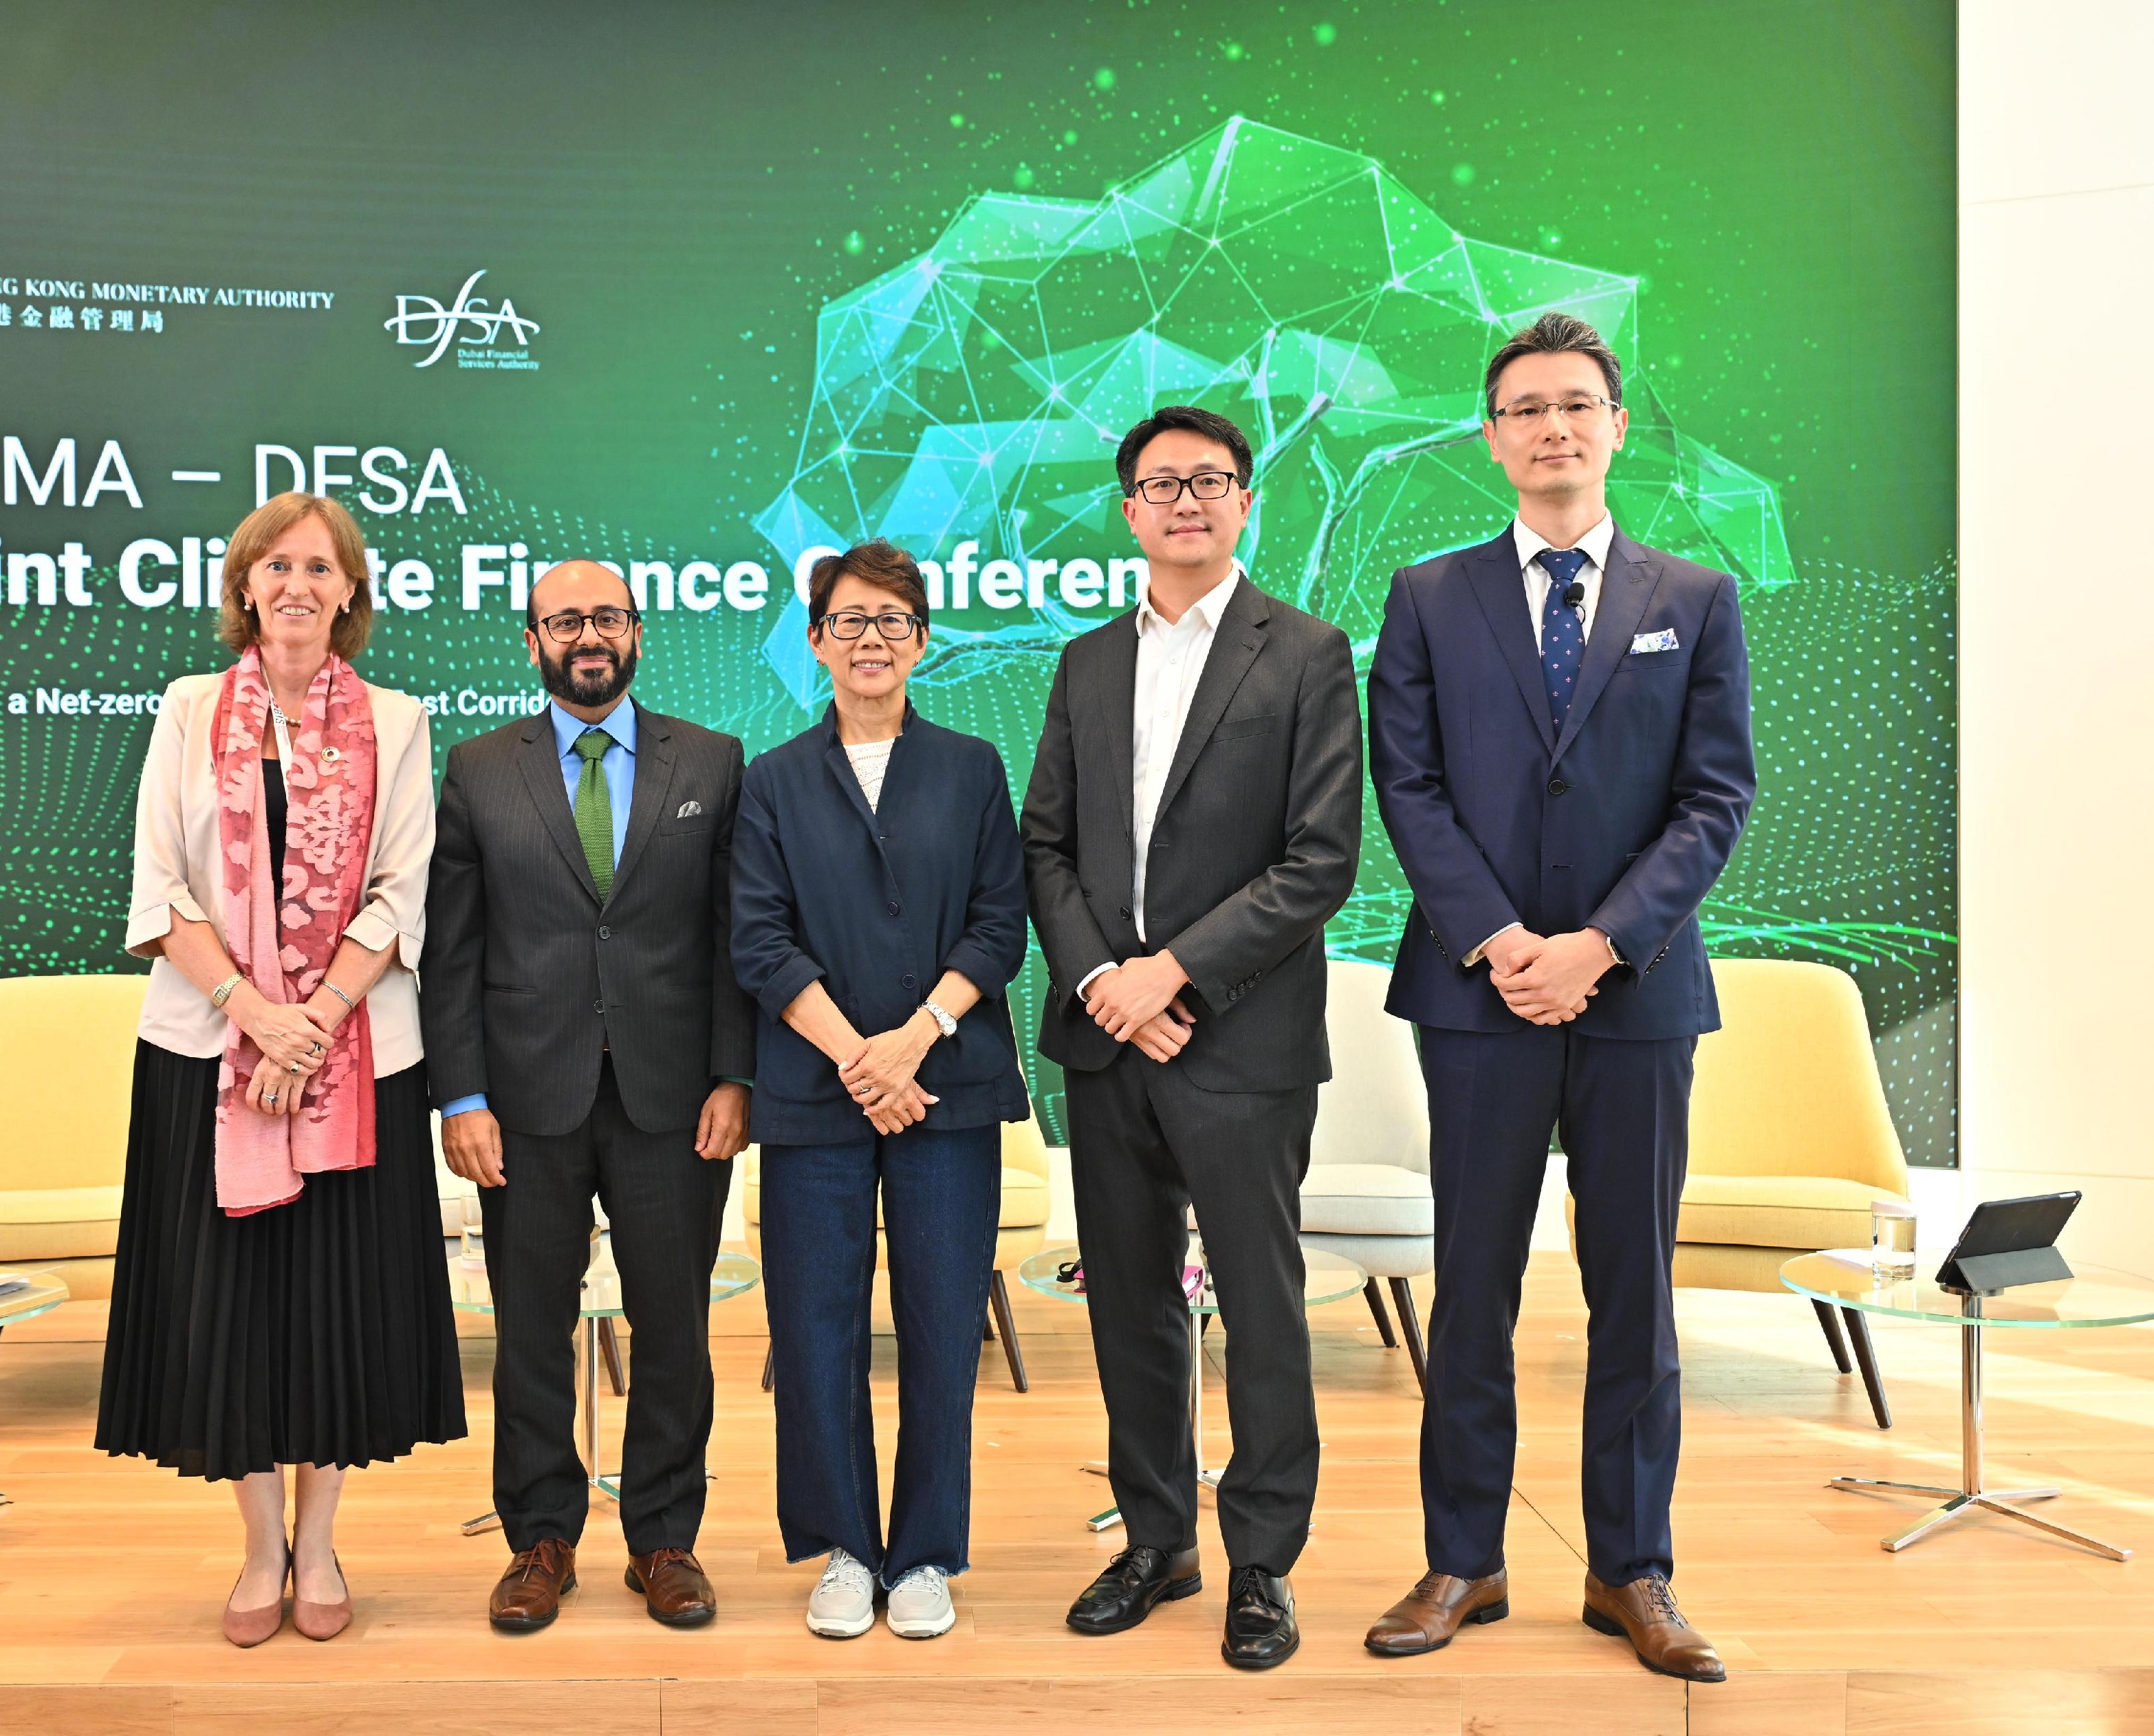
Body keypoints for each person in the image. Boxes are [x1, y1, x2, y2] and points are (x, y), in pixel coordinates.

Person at [1362, 312, 1753, 1683]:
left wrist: (1596, 942)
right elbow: (1403, 784)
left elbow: (1715, 797)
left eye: (1575, 404)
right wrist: (1499, 942)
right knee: (1468, 1289)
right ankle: (1461, 1556)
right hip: (1476, 1001)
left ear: (1616, 425)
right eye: (1523, 407)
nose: (1550, 427)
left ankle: (1627, 1567)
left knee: (1631, 1297)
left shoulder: (1693, 597)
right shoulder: (1424, 593)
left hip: (1636, 997)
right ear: (1489, 435)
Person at [1021, 406, 1364, 1671]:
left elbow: (1321, 859)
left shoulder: (1310, 653)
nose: (1184, 502)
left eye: (1209, 482)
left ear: (1244, 501)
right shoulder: (1085, 661)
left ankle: (1263, 1562)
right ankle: (1158, 1540)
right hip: (1110, 1040)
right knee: (1128, 1304)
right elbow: (1046, 846)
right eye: (1160, 484)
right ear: (1127, 509)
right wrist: (1106, 980)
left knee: (1263, 1311)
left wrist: (1176, 974)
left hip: (1241, 1041)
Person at [97, 490, 464, 1648]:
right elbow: (160, 888)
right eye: (274, 565)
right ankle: (260, 1551)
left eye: (320, 566)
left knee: (331, 1305)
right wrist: (256, 1013)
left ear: (351, 591)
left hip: (357, 1061)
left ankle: (324, 1541)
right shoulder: (188, 709)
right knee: (235, 1307)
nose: (296, 584)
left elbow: (408, 892)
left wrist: (316, 1020)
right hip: (209, 1055)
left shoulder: (398, 720)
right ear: (244, 585)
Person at [425, 560, 756, 1633]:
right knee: (531, 1329)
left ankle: (664, 1539)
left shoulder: (711, 759)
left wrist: (735, 1074)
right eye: (565, 620)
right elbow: (455, 952)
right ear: (532, 642)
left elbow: (734, 938)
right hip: (525, 1101)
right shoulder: (478, 770)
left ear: (638, 631)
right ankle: (539, 1541)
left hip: (676, 1098)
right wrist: (460, 1095)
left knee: (674, 1329)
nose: (588, 635)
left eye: (606, 616)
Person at [728, 541, 1031, 1642]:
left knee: (944, 1325)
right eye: (849, 621)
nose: (870, 640)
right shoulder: (770, 780)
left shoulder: (972, 766)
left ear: (923, 641)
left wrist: (913, 1040)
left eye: (893, 622)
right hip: (816, 1095)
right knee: (815, 1328)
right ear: (815, 641)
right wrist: (861, 1058)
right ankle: (848, 1550)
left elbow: (1002, 922)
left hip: (946, 1085)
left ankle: (926, 1555)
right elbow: (757, 941)